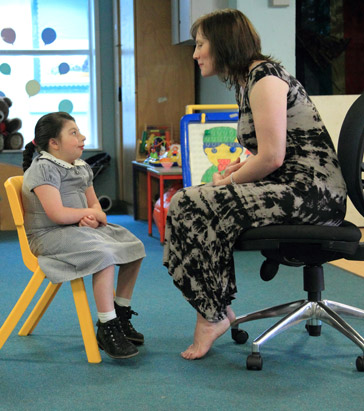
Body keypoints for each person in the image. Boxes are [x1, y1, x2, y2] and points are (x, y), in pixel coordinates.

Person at [163, 9, 347, 360]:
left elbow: (273, 158)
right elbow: (273, 153)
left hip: (314, 195)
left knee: (190, 203)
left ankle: (211, 314)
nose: (195, 53)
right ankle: (214, 309)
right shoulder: (250, 80)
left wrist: (228, 181)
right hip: (294, 187)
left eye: (200, 44)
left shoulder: (265, 78)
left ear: (223, 44)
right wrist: (237, 168)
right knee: (190, 203)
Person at [22, 112, 146, 360]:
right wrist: (88, 214)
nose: (83, 137)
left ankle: (121, 313)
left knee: (134, 246)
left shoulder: (81, 166)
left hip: (78, 229)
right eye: (74, 133)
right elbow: (56, 214)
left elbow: (95, 207)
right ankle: (107, 324)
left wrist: (93, 216)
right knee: (104, 254)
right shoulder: (43, 169)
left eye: (79, 132)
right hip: (49, 236)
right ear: (53, 144)